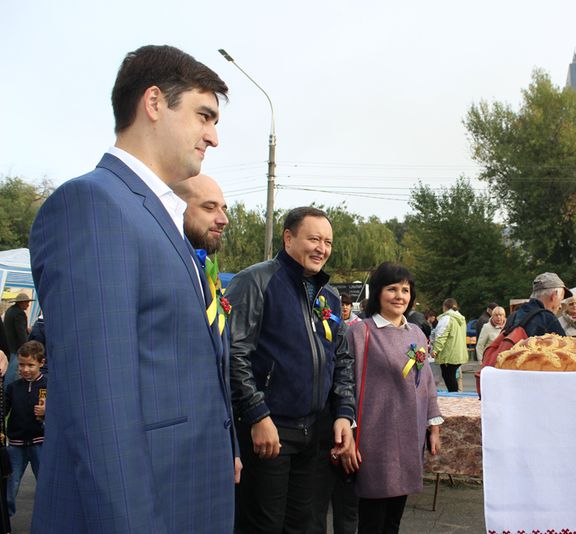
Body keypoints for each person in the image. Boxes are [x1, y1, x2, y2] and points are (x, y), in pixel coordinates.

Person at [28, 45, 236, 533]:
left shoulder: (156, 213)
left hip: (183, 499)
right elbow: (101, 410)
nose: (214, 136)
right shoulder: (94, 204)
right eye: (205, 115)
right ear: (155, 102)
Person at [226, 206, 356, 533]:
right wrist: (257, 414)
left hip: (313, 432)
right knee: (263, 524)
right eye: (313, 239)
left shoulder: (327, 293)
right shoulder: (255, 280)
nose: (321, 248)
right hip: (269, 430)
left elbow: (340, 357)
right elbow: (234, 353)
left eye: (327, 241)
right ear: (288, 238)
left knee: (303, 524)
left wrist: (344, 412)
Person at [339, 262, 441, 534]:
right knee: (372, 521)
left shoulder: (417, 333)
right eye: (392, 288)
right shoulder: (361, 333)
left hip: (410, 436)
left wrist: (434, 426)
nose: (399, 296)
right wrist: (347, 431)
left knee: (394, 519)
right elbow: (344, 385)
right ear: (377, 293)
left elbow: (427, 383)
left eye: (405, 290)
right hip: (375, 439)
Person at [173, 173, 242, 483]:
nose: (224, 218)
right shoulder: (166, 269)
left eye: (224, 208)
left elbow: (220, 372)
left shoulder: (208, 274)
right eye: (210, 207)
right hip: (173, 456)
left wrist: (232, 448)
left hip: (213, 444)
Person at [4, 340, 46, 518]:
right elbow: (3, 409)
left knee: (46, 486)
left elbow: (61, 411)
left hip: (40, 443)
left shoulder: (48, 385)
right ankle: (6, 522)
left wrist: (47, 410)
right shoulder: (13, 387)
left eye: (30, 365)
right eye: (21, 364)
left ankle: (48, 522)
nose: (25, 369)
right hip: (16, 444)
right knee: (9, 487)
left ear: (41, 363)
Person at [504, 272, 570, 338]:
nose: (560, 306)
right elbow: (566, 347)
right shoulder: (548, 319)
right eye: (560, 299)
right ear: (554, 295)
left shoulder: (513, 316)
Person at [431, 298, 468, 392]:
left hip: (449, 354)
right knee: (453, 377)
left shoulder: (447, 318)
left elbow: (441, 335)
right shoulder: (461, 319)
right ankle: (456, 395)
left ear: (444, 307)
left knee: (449, 378)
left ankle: (454, 398)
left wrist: (435, 350)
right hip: (459, 353)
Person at [3, 293, 32, 385]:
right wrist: (26, 348)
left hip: (10, 345)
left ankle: (6, 390)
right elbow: (21, 333)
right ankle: (8, 392)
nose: (28, 305)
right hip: (17, 347)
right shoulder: (19, 314)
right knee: (14, 371)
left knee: (10, 369)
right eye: (27, 303)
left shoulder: (10, 310)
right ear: (22, 303)